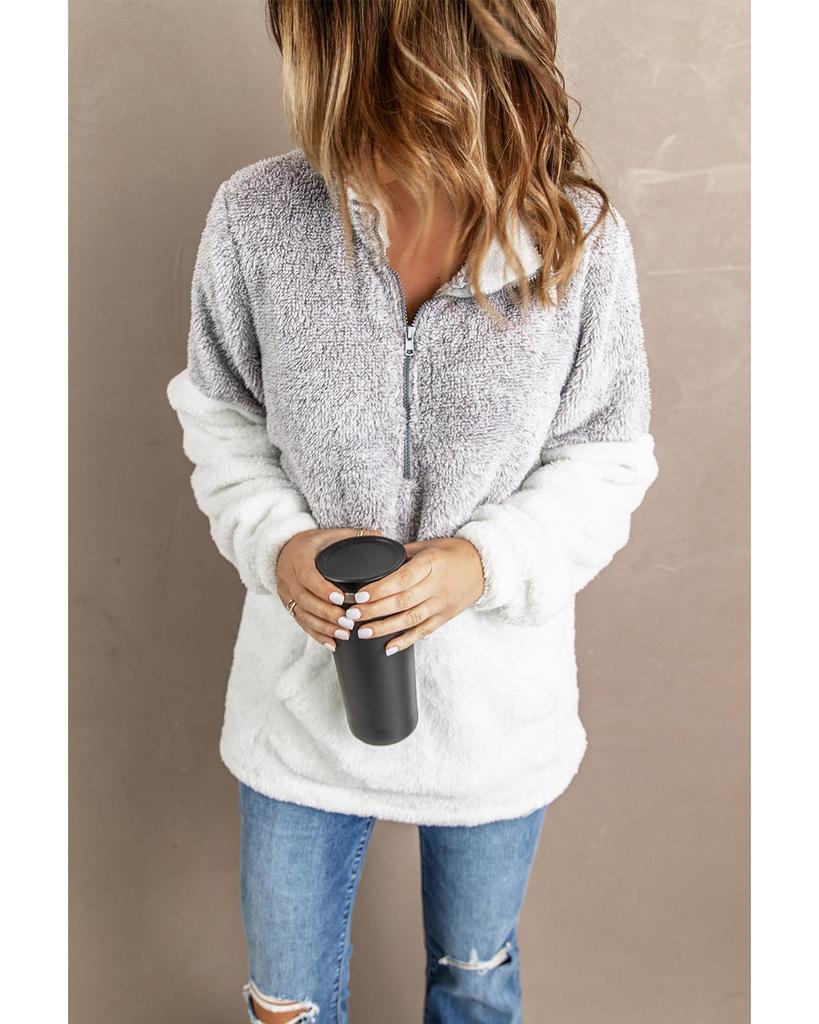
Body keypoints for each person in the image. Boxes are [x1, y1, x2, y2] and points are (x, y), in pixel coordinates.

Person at [166, 1, 659, 1021]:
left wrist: (483, 563)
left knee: (476, 985)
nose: (293, 54)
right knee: (285, 1005)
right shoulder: (258, 217)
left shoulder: (575, 238)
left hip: (495, 715)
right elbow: (221, 420)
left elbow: (605, 457)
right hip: (299, 705)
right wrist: (278, 543)